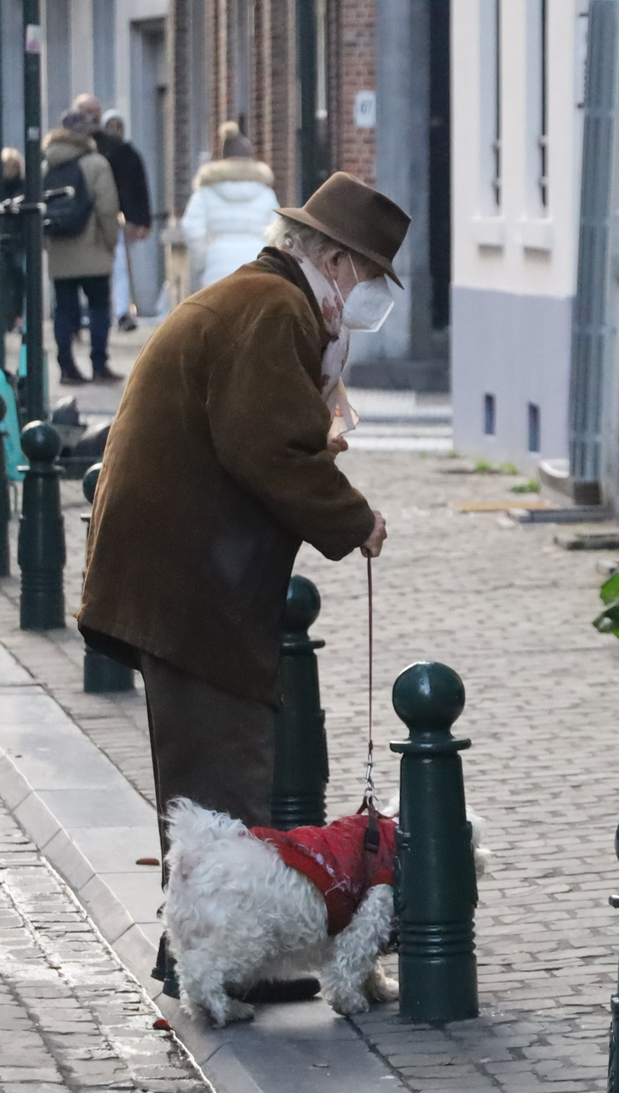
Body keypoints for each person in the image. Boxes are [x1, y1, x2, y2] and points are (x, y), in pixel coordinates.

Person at [78, 171, 409, 997]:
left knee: (204, 784)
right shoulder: (274, 310)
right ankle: (226, 962)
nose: (368, 299)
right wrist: (352, 519)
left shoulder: (262, 301)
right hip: (190, 582)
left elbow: (261, 434)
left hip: (180, 573)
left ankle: (202, 952)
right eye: (368, 278)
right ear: (334, 259)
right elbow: (270, 449)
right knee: (219, 778)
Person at [43, 109, 120, 384]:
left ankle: (66, 367)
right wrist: (111, 242)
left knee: (64, 309)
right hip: (94, 249)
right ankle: (99, 364)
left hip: (59, 249)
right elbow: (107, 208)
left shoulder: (46, 164)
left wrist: (46, 243)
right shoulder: (96, 163)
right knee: (99, 307)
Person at [74, 96, 152, 330]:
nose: (93, 116)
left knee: (117, 266)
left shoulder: (116, 148)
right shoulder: (68, 147)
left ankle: (120, 313)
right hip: (77, 221)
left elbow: (132, 182)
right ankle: (78, 316)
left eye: (96, 111)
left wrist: (137, 218)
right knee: (79, 269)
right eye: (88, 111)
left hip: (107, 218)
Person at [181, 121, 280, 287]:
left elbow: (191, 228)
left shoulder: (206, 192)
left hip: (218, 268)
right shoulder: (266, 193)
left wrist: (205, 258)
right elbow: (277, 233)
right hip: (257, 266)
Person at [0, 148, 25, 334]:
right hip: (4, 240)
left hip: (19, 240)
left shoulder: (25, 186)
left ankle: (16, 317)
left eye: (13, 166)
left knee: (19, 280)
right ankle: (7, 318)